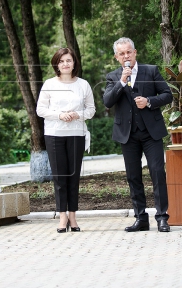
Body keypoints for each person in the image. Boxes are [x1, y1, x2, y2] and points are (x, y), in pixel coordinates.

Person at [103, 37, 173, 232]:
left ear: (135, 52)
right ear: (117, 57)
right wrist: (121, 81)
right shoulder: (113, 76)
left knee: (157, 173)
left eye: (129, 52)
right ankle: (141, 218)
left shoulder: (150, 70)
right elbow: (108, 101)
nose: (126, 56)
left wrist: (149, 101)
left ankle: (162, 217)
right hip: (128, 135)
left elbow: (167, 94)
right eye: (122, 53)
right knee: (133, 177)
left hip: (151, 133)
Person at [36, 47, 96, 233]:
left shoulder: (83, 85)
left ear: (74, 63)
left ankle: (73, 216)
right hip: (54, 134)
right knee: (60, 177)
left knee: (73, 176)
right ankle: (62, 217)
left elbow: (91, 110)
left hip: (76, 134)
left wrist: (76, 115)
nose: (65, 64)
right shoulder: (49, 84)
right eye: (61, 61)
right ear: (57, 64)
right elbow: (41, 110)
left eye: (68, 60)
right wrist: (60, 115)